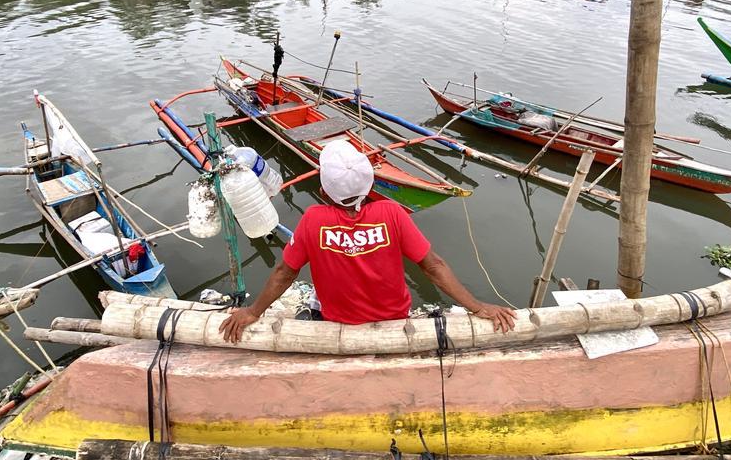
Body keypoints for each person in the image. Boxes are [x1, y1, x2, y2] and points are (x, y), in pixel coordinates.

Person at [220, 140, 516, 342]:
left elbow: (285, 272)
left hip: (341, 320)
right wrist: (477, 307)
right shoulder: (392, 213)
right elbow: (433, 266)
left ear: (324, 192)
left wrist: (253, 311)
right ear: (370, 183)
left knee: (313, 297)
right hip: (394, 317)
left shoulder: (313, 219)